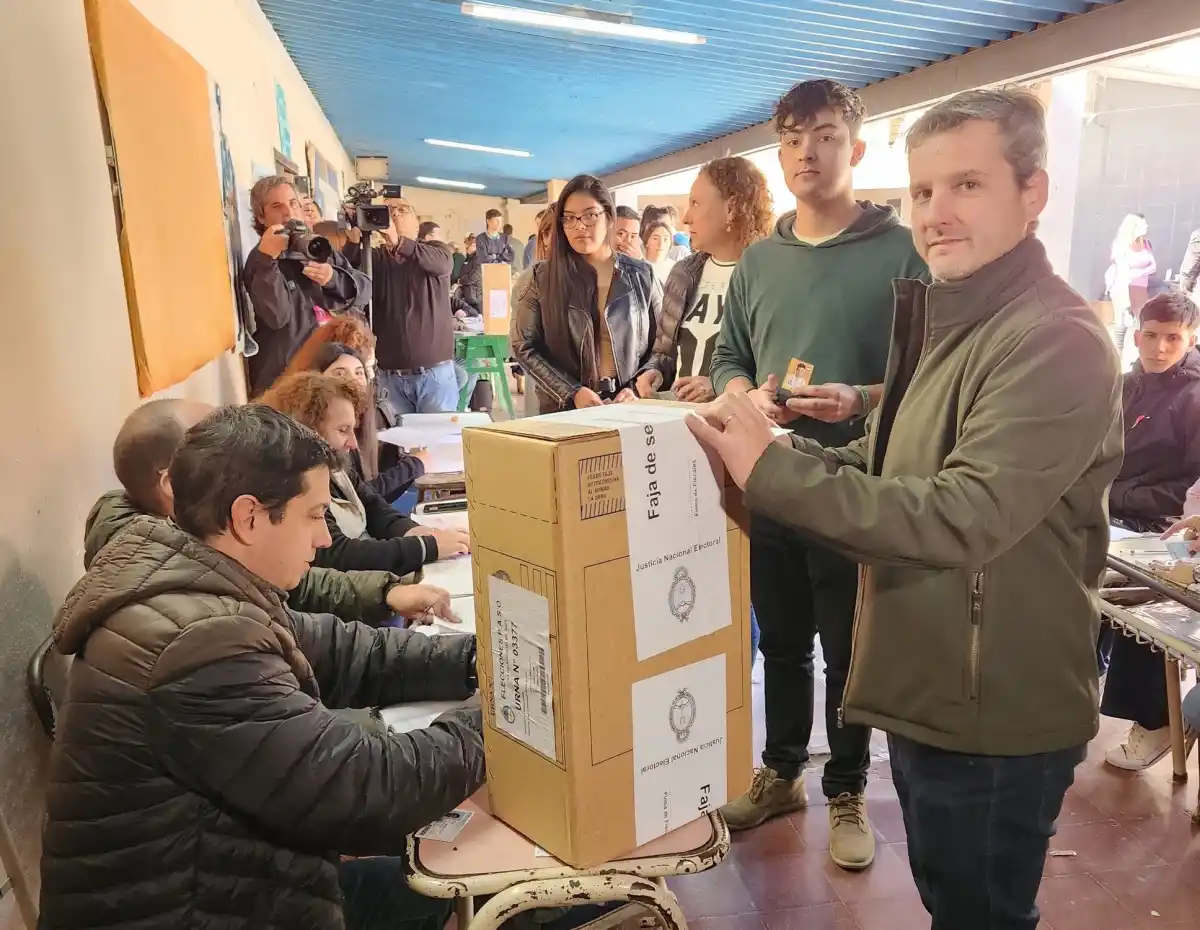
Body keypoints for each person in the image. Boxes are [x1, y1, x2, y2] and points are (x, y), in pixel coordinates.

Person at [687, 87, 1123, 929]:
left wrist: (772, 473)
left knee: (981, 912)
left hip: (996, 705)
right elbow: (879, 460)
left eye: (967, 185)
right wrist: (761, 455)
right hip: (934, 688)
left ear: (1033, 194)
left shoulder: (1052, 338)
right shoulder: (953, 317)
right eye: (923, 191)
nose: (936, 213)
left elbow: (957, 516)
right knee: (951, 901)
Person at [39, 403, 485, 930]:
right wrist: (501, 721)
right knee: (492, 890)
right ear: (248, 517)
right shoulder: (196, 642)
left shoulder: (204, 582)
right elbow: (364, 789)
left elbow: (345, 650)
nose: (324, 540)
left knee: (454, 879)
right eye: (315, 515)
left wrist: (479, 662)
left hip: (233, 885)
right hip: (202, 908)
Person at [705, 80, 926, 872]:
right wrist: (747, 397)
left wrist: (858, 397)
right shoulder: (760, 260)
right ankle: (782, 772)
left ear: (856, 149)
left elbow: (928, 372)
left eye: (825, 135)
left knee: (848, 643)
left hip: (854, 484)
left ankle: (846, 786)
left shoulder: (902, 254)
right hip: (770, 475)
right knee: (785, 638)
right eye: (794, 137)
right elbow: (727, 356)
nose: (808, 151)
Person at [92, 397, 452, 626]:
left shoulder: (191, 542)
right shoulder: (182, 602)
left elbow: (300, 593)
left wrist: (384, 593)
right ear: (173, 484)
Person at [1098, 290, 1200, 770]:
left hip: (1165, 528)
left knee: (1146, 602)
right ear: (1137, 334)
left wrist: (1120, 499)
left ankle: (1153, 722)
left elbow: (1192, 485)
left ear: (1190, 338)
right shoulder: (1120, 385)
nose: (1160, 348)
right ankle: (1071, 686)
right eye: (1152, 336)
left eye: (1173, 338)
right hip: (1109, 515)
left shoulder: (1195, 397)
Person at [260, 372, 470, 575]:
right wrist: (426, 547)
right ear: (307, 429)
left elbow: (375, 508)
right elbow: (338, 555)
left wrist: (417, 532)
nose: (352, 443)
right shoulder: (296, 488)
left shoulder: (335, 468)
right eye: (343, 430)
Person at [511, 175, 660, 413]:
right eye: (569, 218)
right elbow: (523, 346)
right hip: (564, 410)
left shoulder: (642, 276)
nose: (579, 226)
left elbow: (662, 345)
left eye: (590, 215)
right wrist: (571, 391)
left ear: (609, 217)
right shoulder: (540, 278)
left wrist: (636, 387)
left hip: (628, 408)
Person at [636, 156, 773, 405]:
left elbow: (779, 366)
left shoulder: (771, 275)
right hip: (679, 424)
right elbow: (664, 352)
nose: (686, 218)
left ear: (732, 208)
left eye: (696, 203)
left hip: (739, 428)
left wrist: (722, 385)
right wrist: (653, 371)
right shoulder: (683, 273)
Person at [242, 176, 361, 395]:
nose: (288, 213)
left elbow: (361, 291)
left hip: (327, 374)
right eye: (277, 207)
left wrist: (332, 279)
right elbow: (277, 316)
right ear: (261, 217)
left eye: (293, 204)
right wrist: (268, 259)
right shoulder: (260, 260)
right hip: (284, 382)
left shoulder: (317, 246)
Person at [347, 200, 459, 415]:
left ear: (417, 223)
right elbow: (349, 275)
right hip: (390, 377)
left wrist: (398, 242)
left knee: (437, 442)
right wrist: (354, 240)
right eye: (388, 211)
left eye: (402, 210)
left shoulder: (435, 251)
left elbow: (442, 264)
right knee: (395, 445)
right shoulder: (375, 258)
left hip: (434, 375)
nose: (395, 215)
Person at [1107, 212, 1157, 360]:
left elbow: (1153, 266)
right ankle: (1117, 360)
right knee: (1122, 324)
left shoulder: (1145, 243)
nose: (1146, 226)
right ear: (1133, 227)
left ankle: (1141, 360)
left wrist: (1138, 272)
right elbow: (1124, 274)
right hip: (1122, 289)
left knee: (1144, 324)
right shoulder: (1120, 246)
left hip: (1140, 290)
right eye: (1143, 224)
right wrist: (1142, 272)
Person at [641, 220, 676, 286]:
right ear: (646, 242)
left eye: (665, 239)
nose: (661, 244)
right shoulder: (639, 266)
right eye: (655, 238)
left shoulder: (675, 269)